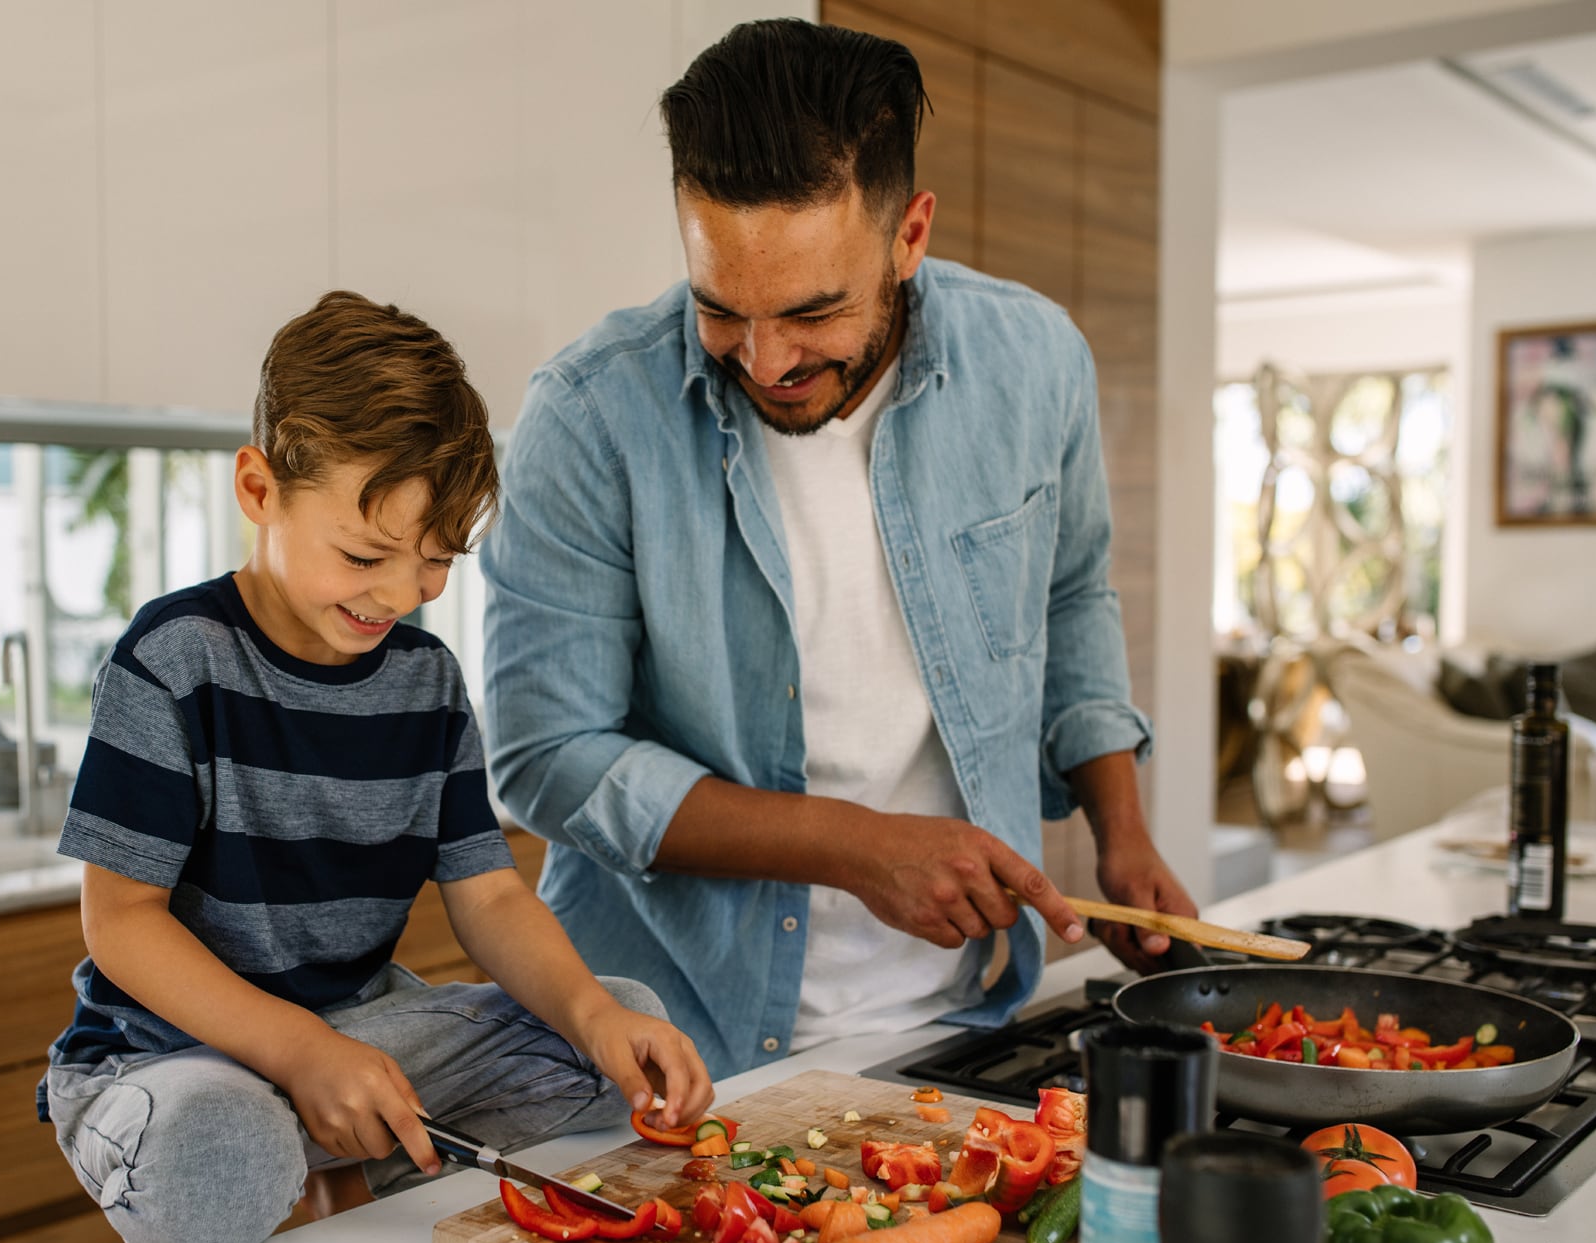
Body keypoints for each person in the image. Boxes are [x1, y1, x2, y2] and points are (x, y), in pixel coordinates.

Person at [480, 19, 1196, 1081]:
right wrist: (853, 845)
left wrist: (1118, 823)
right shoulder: (588, 417)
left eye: (812, 311)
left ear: (908, 235)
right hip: (667, 1043)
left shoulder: (1035, 359)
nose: (764, 361)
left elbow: (1069, 594)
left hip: (964, 1020)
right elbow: (545, 758)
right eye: (720, 308)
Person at [38, 290, 712, 1243]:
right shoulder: (173, 658)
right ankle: (294, 1167)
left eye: (435, 560)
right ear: (259, 489)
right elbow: (122, 922)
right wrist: (299, 1055)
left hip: (355, 1031)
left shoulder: (424, 680)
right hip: (166, 1056)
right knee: (223, 1148)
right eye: (363, 554)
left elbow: (485, 893)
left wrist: (595, 1015)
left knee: (610, 1029)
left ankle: (330, 1166)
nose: (399, 595)